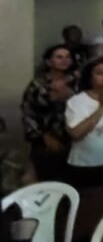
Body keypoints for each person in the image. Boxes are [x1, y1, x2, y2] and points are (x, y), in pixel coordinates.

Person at [21, 45, 77, 180]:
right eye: (59, 57)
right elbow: (28, 112)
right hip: (47, 137)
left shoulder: (76, 81)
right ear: (49, 61)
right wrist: (44, 136)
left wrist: (70, 95)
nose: (64, 60)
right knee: (49, 176)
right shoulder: (38, 84)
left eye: (67, 57)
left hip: (75, 135)